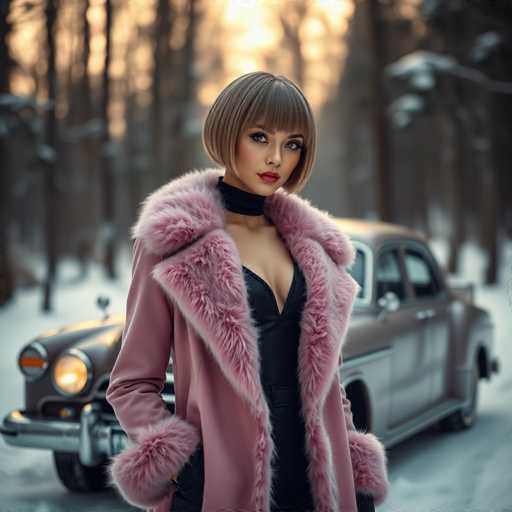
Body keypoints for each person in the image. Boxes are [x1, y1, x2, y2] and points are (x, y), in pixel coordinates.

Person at [106, 71, 390, 512]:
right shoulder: (173, 242)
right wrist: (183, 464)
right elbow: (130, 384)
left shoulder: (314, 248)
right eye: (260, 136)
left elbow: (328, 381)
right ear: (227, 133)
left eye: (293, 143)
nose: (276, 156)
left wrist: (353, 467)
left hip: (319, 483)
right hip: (221, 483)